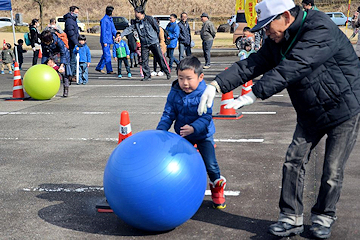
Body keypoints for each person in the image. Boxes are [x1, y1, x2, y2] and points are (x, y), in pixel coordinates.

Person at [197, 0, 360, 238]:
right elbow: (253, 63)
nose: (265, 32)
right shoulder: (278, 39)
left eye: (267, 26)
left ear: (285, 16)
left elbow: (297, 65)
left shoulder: (319, 27)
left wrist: (255, 93)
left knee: (332, 170)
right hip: (310, 111)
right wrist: (217, 84)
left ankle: (324, 217)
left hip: (343, 109)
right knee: (293, 161)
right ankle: (290, 218)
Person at [157, 56, 227, 209]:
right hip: (183, 137)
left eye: (189, 78)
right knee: (180, 163)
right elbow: (169, 113)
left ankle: (217, 190)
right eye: (181, 78)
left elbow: (206, 117)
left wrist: (194, 128)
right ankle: (181, 190)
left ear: (200, 77)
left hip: (203, 136)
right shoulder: (175, 92)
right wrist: (161, 131)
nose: (185, 83)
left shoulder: (205, 93)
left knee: (211, 165)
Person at [121, 6, 171, 81]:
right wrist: (121, 35)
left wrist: (154, 37)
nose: (135, 14)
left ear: (140, 13)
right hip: (144, 43)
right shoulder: (136, 22)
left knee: (159, 58)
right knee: (144, 60)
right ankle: (147, 75)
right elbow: (129, 29)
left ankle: (167, 72)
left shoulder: (149, 19)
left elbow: (157, 28)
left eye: (136, 12)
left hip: (153, 42)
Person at [41, 30, 72, 97]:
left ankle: (66, 89)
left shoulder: (58, 41)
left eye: (47, 42)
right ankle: (49, 90)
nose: (45, 43)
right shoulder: (43, 42)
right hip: (52, 55)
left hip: (63, 55)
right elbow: (44, 54)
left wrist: (61, 65)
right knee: (49, 72)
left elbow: (63, 53)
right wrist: (43, 65)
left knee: (64, 73)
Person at [95, 6, 117, 74]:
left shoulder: (110, 19)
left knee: (105, 54)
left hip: (109, 39)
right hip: (105, 40)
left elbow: (113, 29)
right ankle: (109, 70)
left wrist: (117, 35)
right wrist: (104, 41)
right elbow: (103, 31)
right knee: (107, 55)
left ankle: (99, 67)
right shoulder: (104, 20)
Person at [64, 6, 80, 80]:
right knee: (72, 60)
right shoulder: (69, 21)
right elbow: (71, 33)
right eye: (76, 12)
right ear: (72, 12)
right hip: (71, 43)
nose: (77, 14)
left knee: (74, 59)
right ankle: (71, 75)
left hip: (74, 42)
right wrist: (76, 42)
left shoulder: (73, 20)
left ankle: (73, 74)